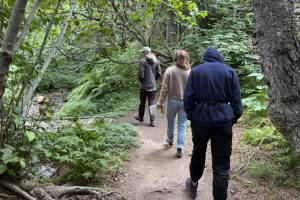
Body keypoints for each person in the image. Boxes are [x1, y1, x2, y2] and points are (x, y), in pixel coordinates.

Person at [184, 47, 243, 199]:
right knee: (221, 162)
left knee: (198, 152)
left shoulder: (196, 72)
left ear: (205, 58)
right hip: (223, 121)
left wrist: (192, 116)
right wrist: (232, 119)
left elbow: (188, 98)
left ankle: (193, 184)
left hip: (201, 120)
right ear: (219, 57)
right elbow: (237, 102)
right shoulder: (230, 72)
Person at [157, 50, 191, 158]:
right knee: (182, 125)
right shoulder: (190, 72)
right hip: (185, 102)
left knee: (170, 123)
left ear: (175, 58)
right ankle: (180, 148)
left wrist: (160, 101)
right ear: (186, 59)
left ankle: (170, 141)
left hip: (172, 101)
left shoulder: (169, 70)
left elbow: (164, 88)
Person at [134, 47, 161, 127]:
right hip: (153, 86)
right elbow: (159, 73)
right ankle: (152, 122)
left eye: (143, 52)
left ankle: (140, 117)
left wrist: (142, 81)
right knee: (152, 103)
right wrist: (154, 79)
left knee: (142, 102)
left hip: (144, 86)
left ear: (146, 52)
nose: (142, 53)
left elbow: (140, 75)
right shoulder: (156, 61)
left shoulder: (143, 61)